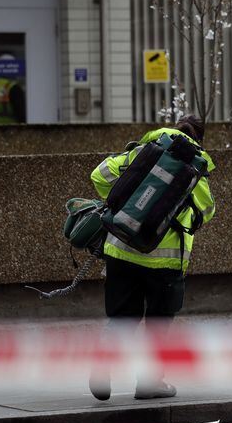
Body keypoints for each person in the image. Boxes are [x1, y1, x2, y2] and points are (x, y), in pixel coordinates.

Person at [88, 115, 216, 401]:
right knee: (158, 322)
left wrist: (127, 201)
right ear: (200, 140)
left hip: (121, 248)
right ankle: (149, 383)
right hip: (165, 260)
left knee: (122, 317)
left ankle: (102, 365)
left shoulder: (142, 153)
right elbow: (205, 212)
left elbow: (99, 176)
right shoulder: (196, 168)